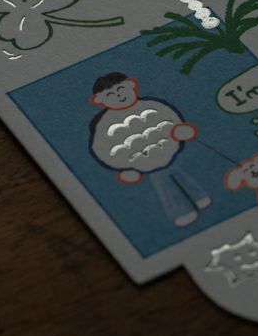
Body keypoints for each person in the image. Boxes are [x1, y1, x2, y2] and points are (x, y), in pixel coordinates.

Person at [88, 72, 212, 228]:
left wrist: (180, 131)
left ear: (131, 85)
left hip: (168, 151)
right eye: (110, 95)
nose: (118, 96)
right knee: (164, 187)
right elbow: (103, 150)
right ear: (99, 100)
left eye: (121, 89)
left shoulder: (152, 106)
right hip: (142, 163)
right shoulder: (104, 125)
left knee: (179, 175)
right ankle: (181, 211)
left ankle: (198, 196)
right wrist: (125, 168)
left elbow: (171, 118)